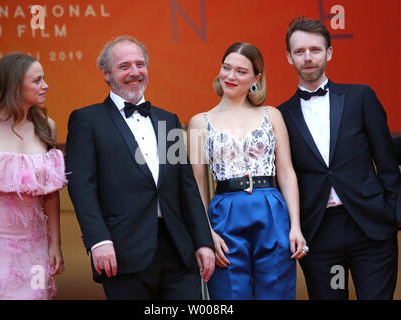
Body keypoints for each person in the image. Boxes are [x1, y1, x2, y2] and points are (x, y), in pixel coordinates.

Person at [66, 36, 215, 300]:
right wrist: (98, 240)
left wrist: (203, 240)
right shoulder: (86, 120)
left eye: (140, 64)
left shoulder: (168, 120)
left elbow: (187, 187)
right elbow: (82, 187)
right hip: (122, 251)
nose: (135, 72)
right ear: (106, 73)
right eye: (124, 66)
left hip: (178, 250)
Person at [278, 17, 400, 299]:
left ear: (329, 52)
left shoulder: (361, 97)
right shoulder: (280, 116)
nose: (308, 57)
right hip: (320, 235)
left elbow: (386, 160)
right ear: (289, 57)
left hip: (371, 228)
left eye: (315, 50)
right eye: (299, 51)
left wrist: (393, 213)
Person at [188, 42, 306, 300]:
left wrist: (295, 226)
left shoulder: (272, 115)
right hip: (225, 215)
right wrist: (206, 232)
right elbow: (195, 185)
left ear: (256, 78)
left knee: (276, 292)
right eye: (226, 68)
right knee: (229, 294)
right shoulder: (199, 122)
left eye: (241, 71)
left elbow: (286, 174)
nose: (231, 76)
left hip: (272, 211)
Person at [0, 53, 66, 300]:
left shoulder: (46, 125)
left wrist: (54, 244)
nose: (45, 85)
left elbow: (51, 192)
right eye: (37, 80)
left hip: (35, 243)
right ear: (15, 87)